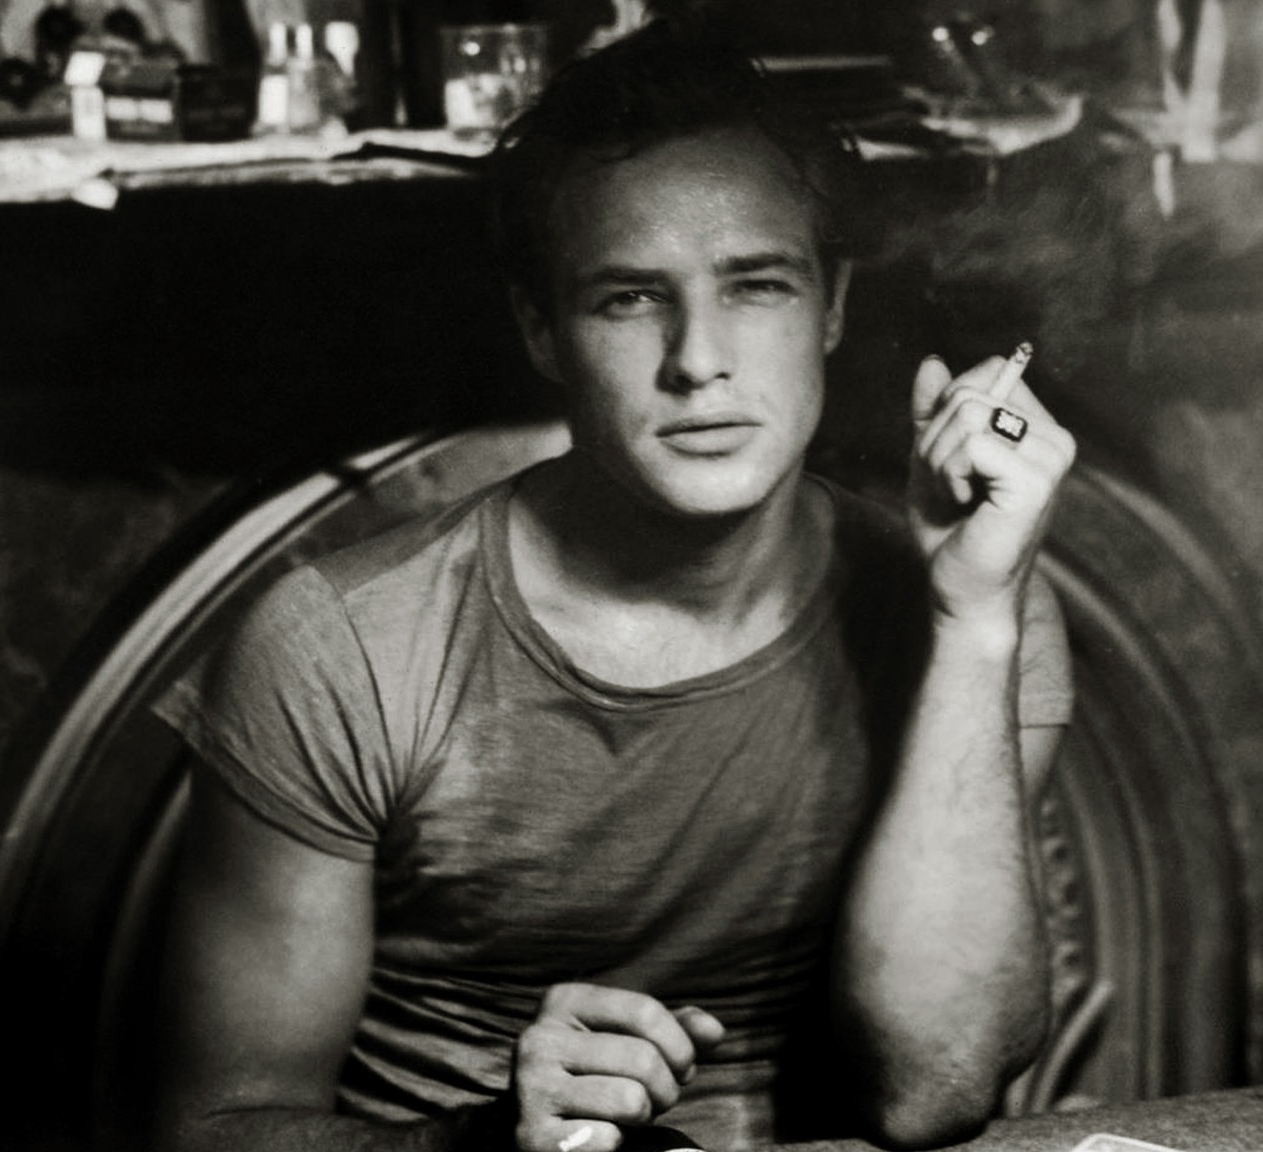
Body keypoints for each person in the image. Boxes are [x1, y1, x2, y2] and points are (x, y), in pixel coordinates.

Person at [150, 18, 1076, 1152]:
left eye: (757, 285)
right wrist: (477, 1142)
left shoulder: (976, 602)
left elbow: (934, 1089)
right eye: (629, 298)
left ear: (831, 306)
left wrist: (972, 622)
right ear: (542, 329)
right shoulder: (341, 648)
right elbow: (211, 1132)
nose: (698, 360)